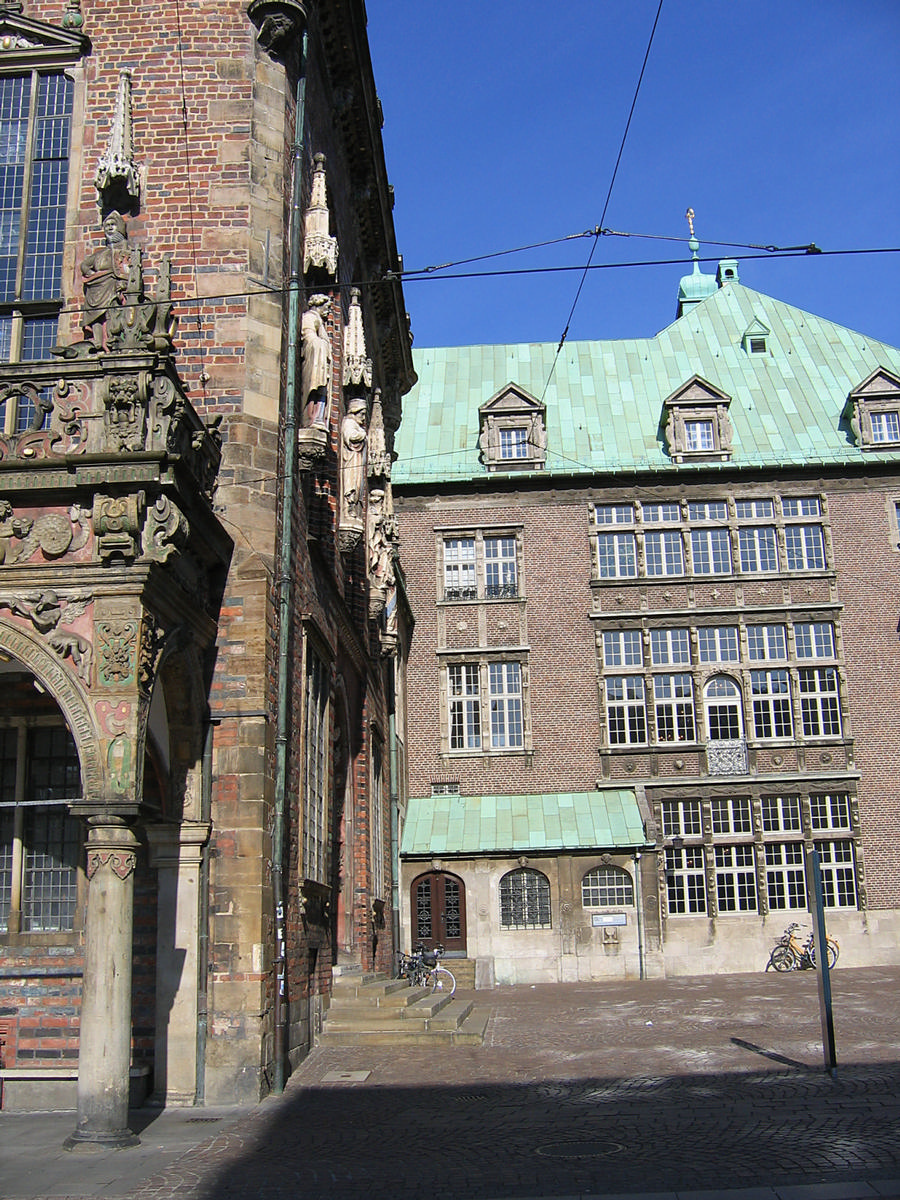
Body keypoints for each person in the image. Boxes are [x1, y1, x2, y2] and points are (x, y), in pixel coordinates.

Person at [81, 213, 132, 348]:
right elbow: (85, 265)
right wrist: (92, 274)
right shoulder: (100, 254)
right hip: (96, 288)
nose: (109, 228)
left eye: (112, 225)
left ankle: (110, 341)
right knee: (95, 315)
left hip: (113, 286)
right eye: (107, 225)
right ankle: (98, 342)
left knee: (111, 312)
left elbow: (127, 270)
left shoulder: (126, 250)